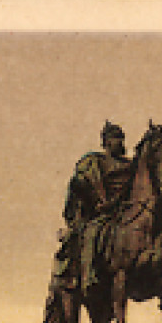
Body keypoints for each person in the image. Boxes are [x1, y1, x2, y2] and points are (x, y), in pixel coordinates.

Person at [54, 122, 136, 298]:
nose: (120, 142)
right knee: (92, 233)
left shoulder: (131, 166)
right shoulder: (94, 162)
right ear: (106, 142)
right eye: (116, 139)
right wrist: (96, 203)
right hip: (100, 213)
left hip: (126, 212)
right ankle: (88, 275)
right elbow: (79, 185)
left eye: (121, 139)